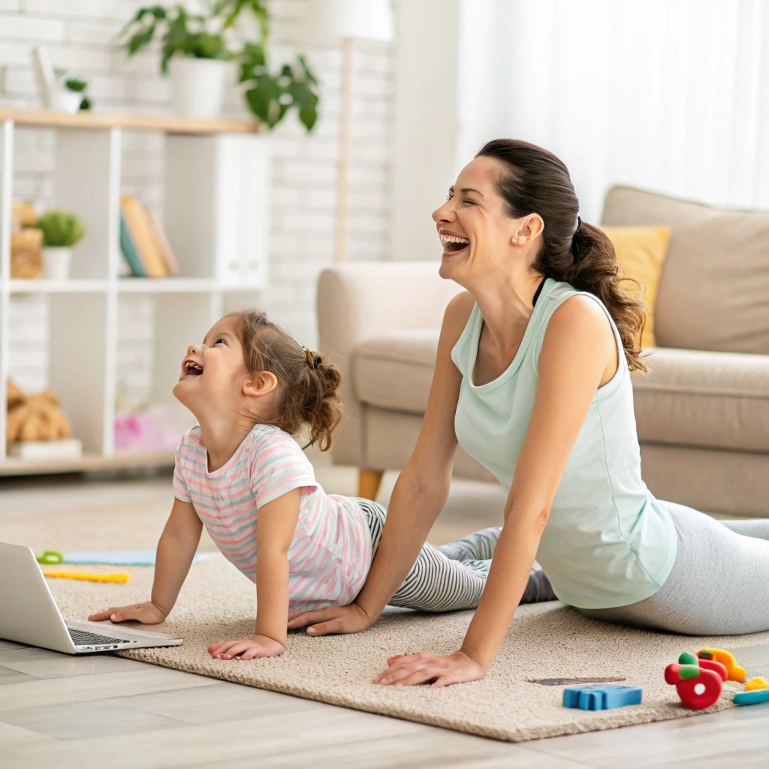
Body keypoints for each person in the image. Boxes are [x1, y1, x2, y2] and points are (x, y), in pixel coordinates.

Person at [287, 138, 769, 688]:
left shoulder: (574, 321)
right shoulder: (462, 317)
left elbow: (532, 507)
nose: (442, 212)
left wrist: (472, 656)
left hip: (659, 571)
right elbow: (422, 480)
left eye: (468, 200)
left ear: (526, 230)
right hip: (583, 589)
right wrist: (366, 608)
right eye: (450, 195)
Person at [88, 309, 555, 661]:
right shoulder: (192, 449)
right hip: (345, 568)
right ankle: (487, 541)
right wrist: (158, 605)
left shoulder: (270, 454)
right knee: (446, 561)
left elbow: (275, 551)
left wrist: (268, 636)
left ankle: (544, 576)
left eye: (218, 342)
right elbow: (178, 536)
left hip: (369, 552)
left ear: (257, 384)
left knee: (466, 589)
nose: (196, 347)